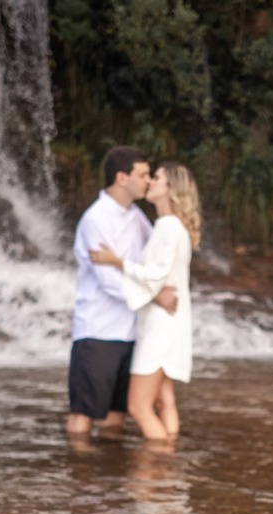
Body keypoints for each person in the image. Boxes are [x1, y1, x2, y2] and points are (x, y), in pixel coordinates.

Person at [67, 146, 177, 438]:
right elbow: (107, 281)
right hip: (98, 331)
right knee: (83, 415)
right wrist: (156, 295)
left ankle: (108, 478)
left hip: (130, 330)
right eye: (142, 174)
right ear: (121, 178)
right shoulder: (96, 219)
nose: (148, 180)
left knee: (115, 415)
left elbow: (151, 260)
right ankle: (78, 479)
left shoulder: (136, 216)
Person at [89, 162, 199, 440]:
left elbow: (154, 277)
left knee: (138, 406)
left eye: (157, 178)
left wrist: (116, 262)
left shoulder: (167, 227)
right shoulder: (172, 226)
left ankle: (160, 462)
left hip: (160, 328)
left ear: (171, 188)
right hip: (173, 324)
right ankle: (170, 462)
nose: (150, 182)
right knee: (164, 400)